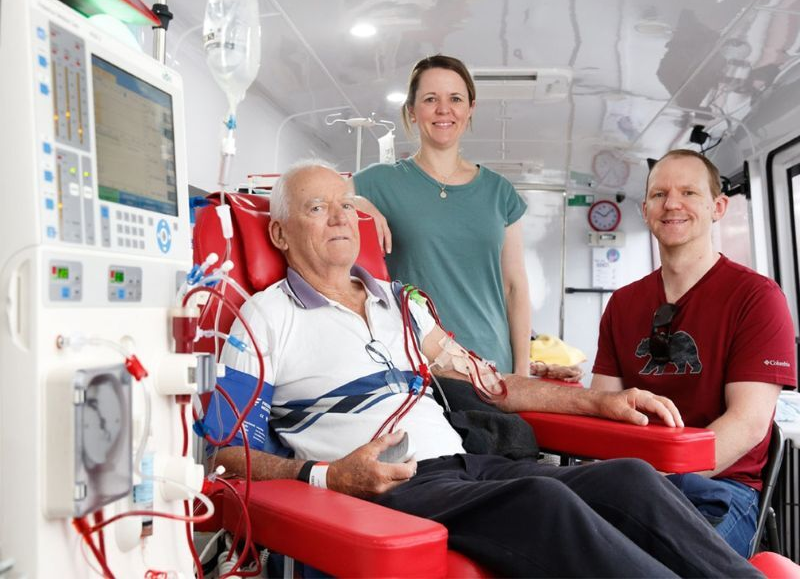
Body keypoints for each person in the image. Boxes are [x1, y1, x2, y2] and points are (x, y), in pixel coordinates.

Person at [215, 160, 760, 577]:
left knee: (629, 478)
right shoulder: (264, 321)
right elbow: (224, 453)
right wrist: (326, 475)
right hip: (392, 483)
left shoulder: (405, 305)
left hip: (464, 465)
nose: (339, 218)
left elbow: (490, 384)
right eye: (316, 208)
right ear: (281, 234)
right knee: (545, 499)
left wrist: (600, 401)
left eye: (344, 204)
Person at [592, 149, 797, 557]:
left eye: (688, 192)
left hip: (718, 489)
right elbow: (603, 409)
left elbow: (749, 423)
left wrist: (658, 475)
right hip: (632, 484)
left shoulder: (757, 298)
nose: (672, 204)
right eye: (659, 194)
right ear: (645, 209)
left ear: (718, 207)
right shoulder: (623, 305)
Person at [352, 54, 532, 376]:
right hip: (416, 364)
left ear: (470, 108)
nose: (443, 109)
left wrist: (522, 373)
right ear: (412, 110)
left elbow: (514, 287)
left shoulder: (499, 192)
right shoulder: (378, 182)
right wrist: (351, 200)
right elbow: (308, 198)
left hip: (489, 364)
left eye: (455, 99)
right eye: (430, 99)